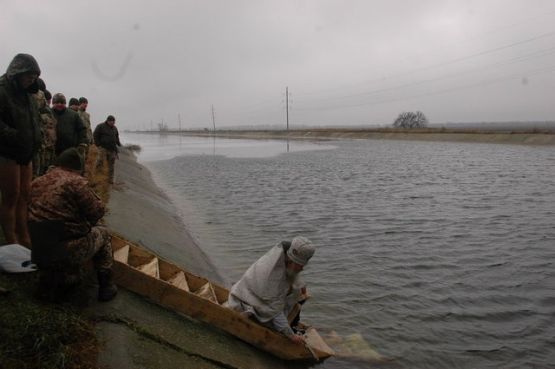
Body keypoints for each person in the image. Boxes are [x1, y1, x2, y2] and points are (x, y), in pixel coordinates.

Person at [28, 148, 117, 302]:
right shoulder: (76, 182)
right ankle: (106, 286)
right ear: (77, 168)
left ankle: (51, 282)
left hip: (38, 250)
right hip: (66, 250)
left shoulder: (37, 181)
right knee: (103, 233)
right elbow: (97, 212)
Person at [227, 236, 315, 344]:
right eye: (300, 265)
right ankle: (287, 328)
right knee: (279, 318)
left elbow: (294, 277)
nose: (302, 268)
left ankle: (291, 324)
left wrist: (301, 288)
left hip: (259, 297)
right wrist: (291, 336)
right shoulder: (272, 277)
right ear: (291, 261)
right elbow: (274, 311)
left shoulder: (285, 258)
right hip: (244, 302)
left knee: (299, 296)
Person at [0, 53, 42, 247]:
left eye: (34, 78)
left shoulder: (28, 96)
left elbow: (34, 122)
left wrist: (36, 140)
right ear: (17, 73)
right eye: (28, 77)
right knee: (11, 195)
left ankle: (24, 235)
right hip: (7, 152)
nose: (30, 81)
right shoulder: (2, 90)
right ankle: (11, 240)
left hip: (27, 152)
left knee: (25, 194)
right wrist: (14, 136)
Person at [93, 115, 121, 184]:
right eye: (111, 121)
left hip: (112, 149)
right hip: (103, 148)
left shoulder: (115, 128)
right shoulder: (100, 126)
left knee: (111, 165)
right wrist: (98, 144)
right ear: (108, 121)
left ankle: (110, 180)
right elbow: (95, 135)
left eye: (114, 121)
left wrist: (118, 144)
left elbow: (116, 137)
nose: (113, 123)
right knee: (100, 162)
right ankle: (96, 178)